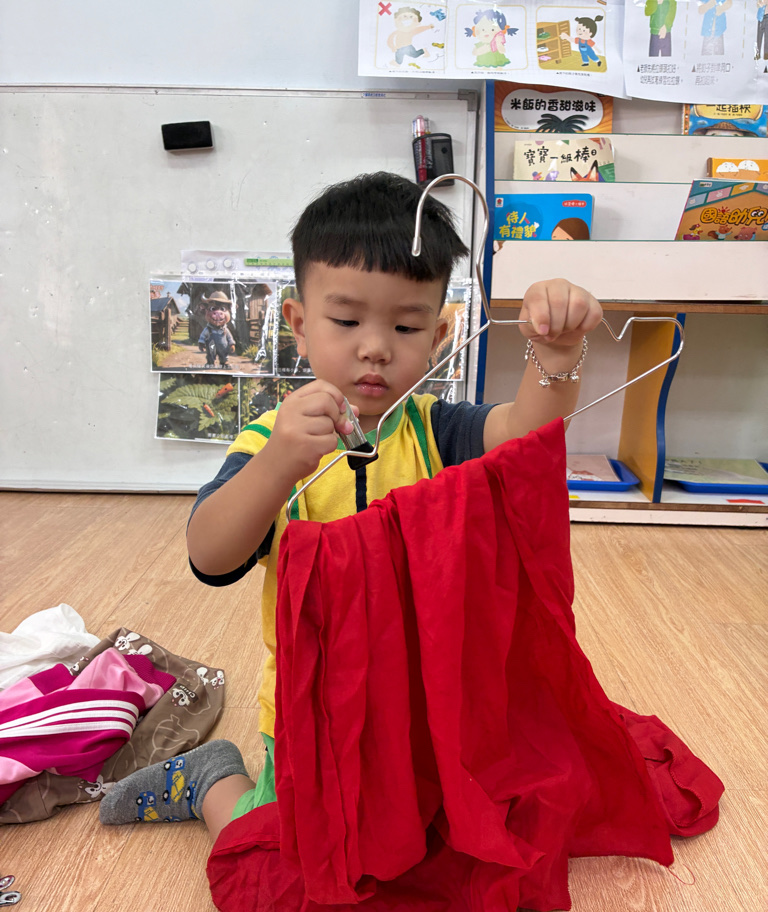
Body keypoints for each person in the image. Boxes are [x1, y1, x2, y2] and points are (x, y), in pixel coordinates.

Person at [100, 172, 602, 842]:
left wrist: (557, 353)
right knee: (279, 855)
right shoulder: (273, 442)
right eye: (346, 321)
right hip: (310, 715)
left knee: (432, 848)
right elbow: (209, 556)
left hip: (423, 711)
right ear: (299, 326)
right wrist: (277, 464)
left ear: (440, 334)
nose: (375, 347)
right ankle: (213, 779)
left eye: (406, 325)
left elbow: (527, 436)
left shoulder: (437, 431)